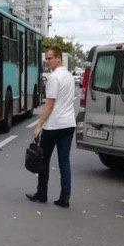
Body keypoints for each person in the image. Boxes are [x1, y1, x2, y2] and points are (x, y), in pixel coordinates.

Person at [27, 46, 77, 208]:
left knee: (43, 160)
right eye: (46, 59)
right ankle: (65, 198)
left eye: (50, 58)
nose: (47, 62)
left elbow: (49, 105)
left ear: (58, 58)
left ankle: (42, 194)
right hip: (68, 124)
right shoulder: (69, 76)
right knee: (64, 162)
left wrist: (38, 125)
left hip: (53, 126)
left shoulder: (54, 78)